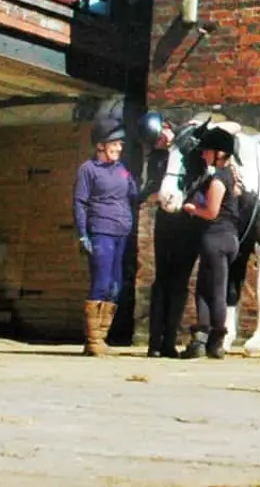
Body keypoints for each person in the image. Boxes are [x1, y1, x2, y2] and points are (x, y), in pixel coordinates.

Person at [74, 116, 140, 357]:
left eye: (120, 144)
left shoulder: (122, 170)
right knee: (101, 283)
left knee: (115, 286)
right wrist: (83, 234)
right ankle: (93, 340)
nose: (119, 148)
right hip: (100, 231)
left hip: (121, 232)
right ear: (100, 145)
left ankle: (100, 337)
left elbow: (134, 195)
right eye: (115, 143)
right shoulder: (88, 170)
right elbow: (79, 203)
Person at [141, 113, 205, 359]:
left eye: (160, 137)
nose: (161, 142)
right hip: (167, 220)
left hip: (188, 220)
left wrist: (193, 125)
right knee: (163, 280)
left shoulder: (188, 150)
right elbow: (149, 189)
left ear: (168, 127)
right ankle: (155, 342)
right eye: (156, 141)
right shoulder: (158, 159)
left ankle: (168, 341)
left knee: (179, 282)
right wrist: (154, 195)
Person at [179, 126, 246, 360]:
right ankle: (206, 342)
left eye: (207, 150)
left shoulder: (218, 179)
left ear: (219, 153)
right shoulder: (232, 176)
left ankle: (212, 342)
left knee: (212, 291)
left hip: (215, 238)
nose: (203, 154)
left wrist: (192, 208)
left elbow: (211, 212)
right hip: (230, 238)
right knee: (209, 289)